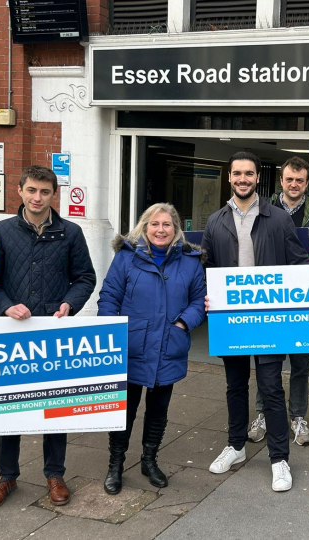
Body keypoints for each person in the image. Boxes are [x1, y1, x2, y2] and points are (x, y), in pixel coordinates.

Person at [0, 165, 96, 510]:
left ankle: (55, 474)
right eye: (31, 190)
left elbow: (85, 278)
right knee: (10, 406)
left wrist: (69, 304)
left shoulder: (70, 232)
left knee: (55, 407)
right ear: (19, 191)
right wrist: (4, 307)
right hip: (13, 332)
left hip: (52, 330)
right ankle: (6, 475)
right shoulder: (1, 231)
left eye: (44, 192)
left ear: (53, 194)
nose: (37, 197)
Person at [202, 151, 309, 492]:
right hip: (230, 320)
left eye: (249, 174)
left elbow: (300, 265)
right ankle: (235, 447)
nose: (243, 179)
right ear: (230, 177)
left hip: (268, 320)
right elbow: (203, 269)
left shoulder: (278, 219)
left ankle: (279, 459)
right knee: (235, 387)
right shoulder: (215, 220)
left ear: (257, 178)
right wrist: (204, 295)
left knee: (271, 388)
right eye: (237, 174)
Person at [98, 203, 206, 494]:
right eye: (155, 224)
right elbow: (109, 297)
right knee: (125, 411)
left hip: (168, 347)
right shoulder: (126, 258)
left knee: (158, 410)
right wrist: (111, 332)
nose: (161, 230)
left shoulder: (190, 261)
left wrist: (184, 323)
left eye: (167, 225)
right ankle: (115, 465)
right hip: (130, 347)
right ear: (145, 227)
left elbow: (199, 301)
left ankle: (149, 460)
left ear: (175, 229)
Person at [248, 156, 309, 446]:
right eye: (289, 179)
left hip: (302, 296)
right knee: (267, 357)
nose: (294, 185)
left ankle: (298, 417)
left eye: (300, 180)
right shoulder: (261, 210)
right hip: (269, 294)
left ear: (307, 183)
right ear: (281, 180)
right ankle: (264, 414)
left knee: (301, 360)